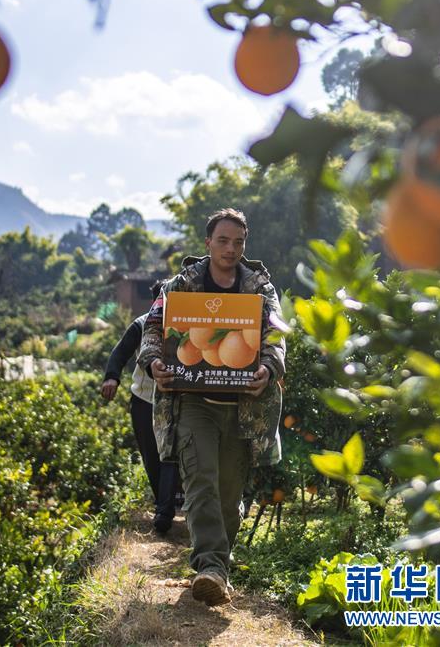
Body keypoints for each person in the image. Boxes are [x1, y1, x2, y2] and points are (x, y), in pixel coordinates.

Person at [138, 208, 285, 606]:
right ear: (208, 242)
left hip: (243, 407)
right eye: (223, 240)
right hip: (193, 403)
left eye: (238, 242)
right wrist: (154, 361)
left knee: (227, 495)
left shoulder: (260, 288)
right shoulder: (181, 285)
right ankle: (211, 569)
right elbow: (154, 327)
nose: (231, 249)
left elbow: (274, 333)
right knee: (200, 480)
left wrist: (269, 367)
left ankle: (218, 562)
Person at [100, 284, 181, 533]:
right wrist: (112, 376)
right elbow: (121, 351)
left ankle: (165, 512)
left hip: (176, 401)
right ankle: (163, 501)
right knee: (152, 456)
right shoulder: (143, 324)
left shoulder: (186, 324)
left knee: (171, 454)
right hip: (144, 400)